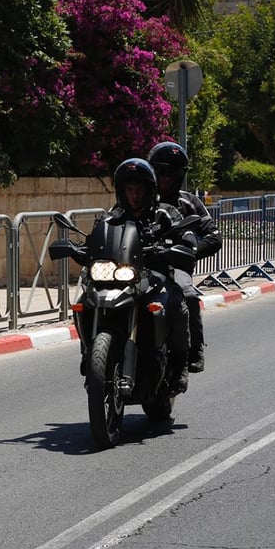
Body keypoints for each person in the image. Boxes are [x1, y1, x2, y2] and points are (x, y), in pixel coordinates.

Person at [106, 158, 197, 394]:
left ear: (149, 190)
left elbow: (186, 236)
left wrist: (178, 248)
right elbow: (99, 237)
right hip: (122, 277)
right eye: (129, 190)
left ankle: (180, 365)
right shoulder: (114, 216)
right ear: (122, 191)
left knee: (178, 304)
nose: (134, 195)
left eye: (139, 190)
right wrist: (81, 248)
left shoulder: (165, 213)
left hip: (156, 276)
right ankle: (93, 353)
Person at [147, 141, 222, 374]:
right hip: (140, 264)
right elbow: (112, 225)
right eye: (160, 172)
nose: (165, 178)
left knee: (187, 295)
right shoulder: (136, 198)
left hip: (174, 264)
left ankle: (194, 350)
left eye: (171, 174)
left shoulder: (189, 202)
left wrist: (189, 251)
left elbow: (214, 236)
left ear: (179, 176)